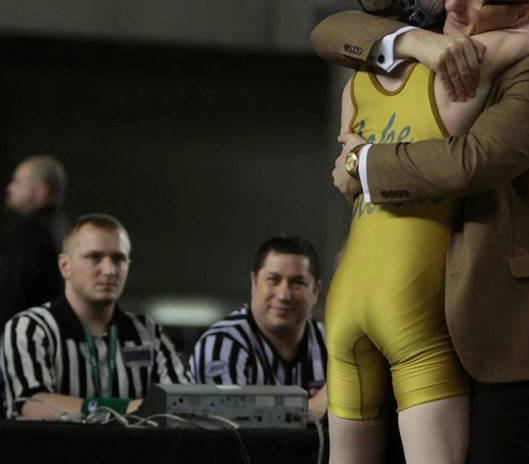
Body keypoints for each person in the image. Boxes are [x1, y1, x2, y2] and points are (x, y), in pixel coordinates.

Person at [313, 0, 529, 464]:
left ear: (523, 14)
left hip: (506, 327)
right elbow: (330, 32)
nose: (454, 0)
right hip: (420, 313)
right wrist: (415, 39)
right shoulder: (437, 43)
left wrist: (362, 161)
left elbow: (471, 163)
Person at [1, 214, 187, 419]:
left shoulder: (148, 332)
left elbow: (183, 402)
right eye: (94, 257)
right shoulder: (30, 328)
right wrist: (128, 408)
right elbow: (32, 404)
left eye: (119, 258)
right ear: (65, 266)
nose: (109, 270)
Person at [190, 235, 328, 423]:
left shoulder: (335, 343)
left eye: (298, 283)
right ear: (254, 282)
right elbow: (226, 419)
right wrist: (308, 409)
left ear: (316, 291)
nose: (284, 295)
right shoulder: (222, 343)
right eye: (273, 279)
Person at [1, 155, 70, 327]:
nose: (10, 188)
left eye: (17, 182)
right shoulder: (66, 229)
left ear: (41, 191)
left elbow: (13, 293)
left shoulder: (29, 232)